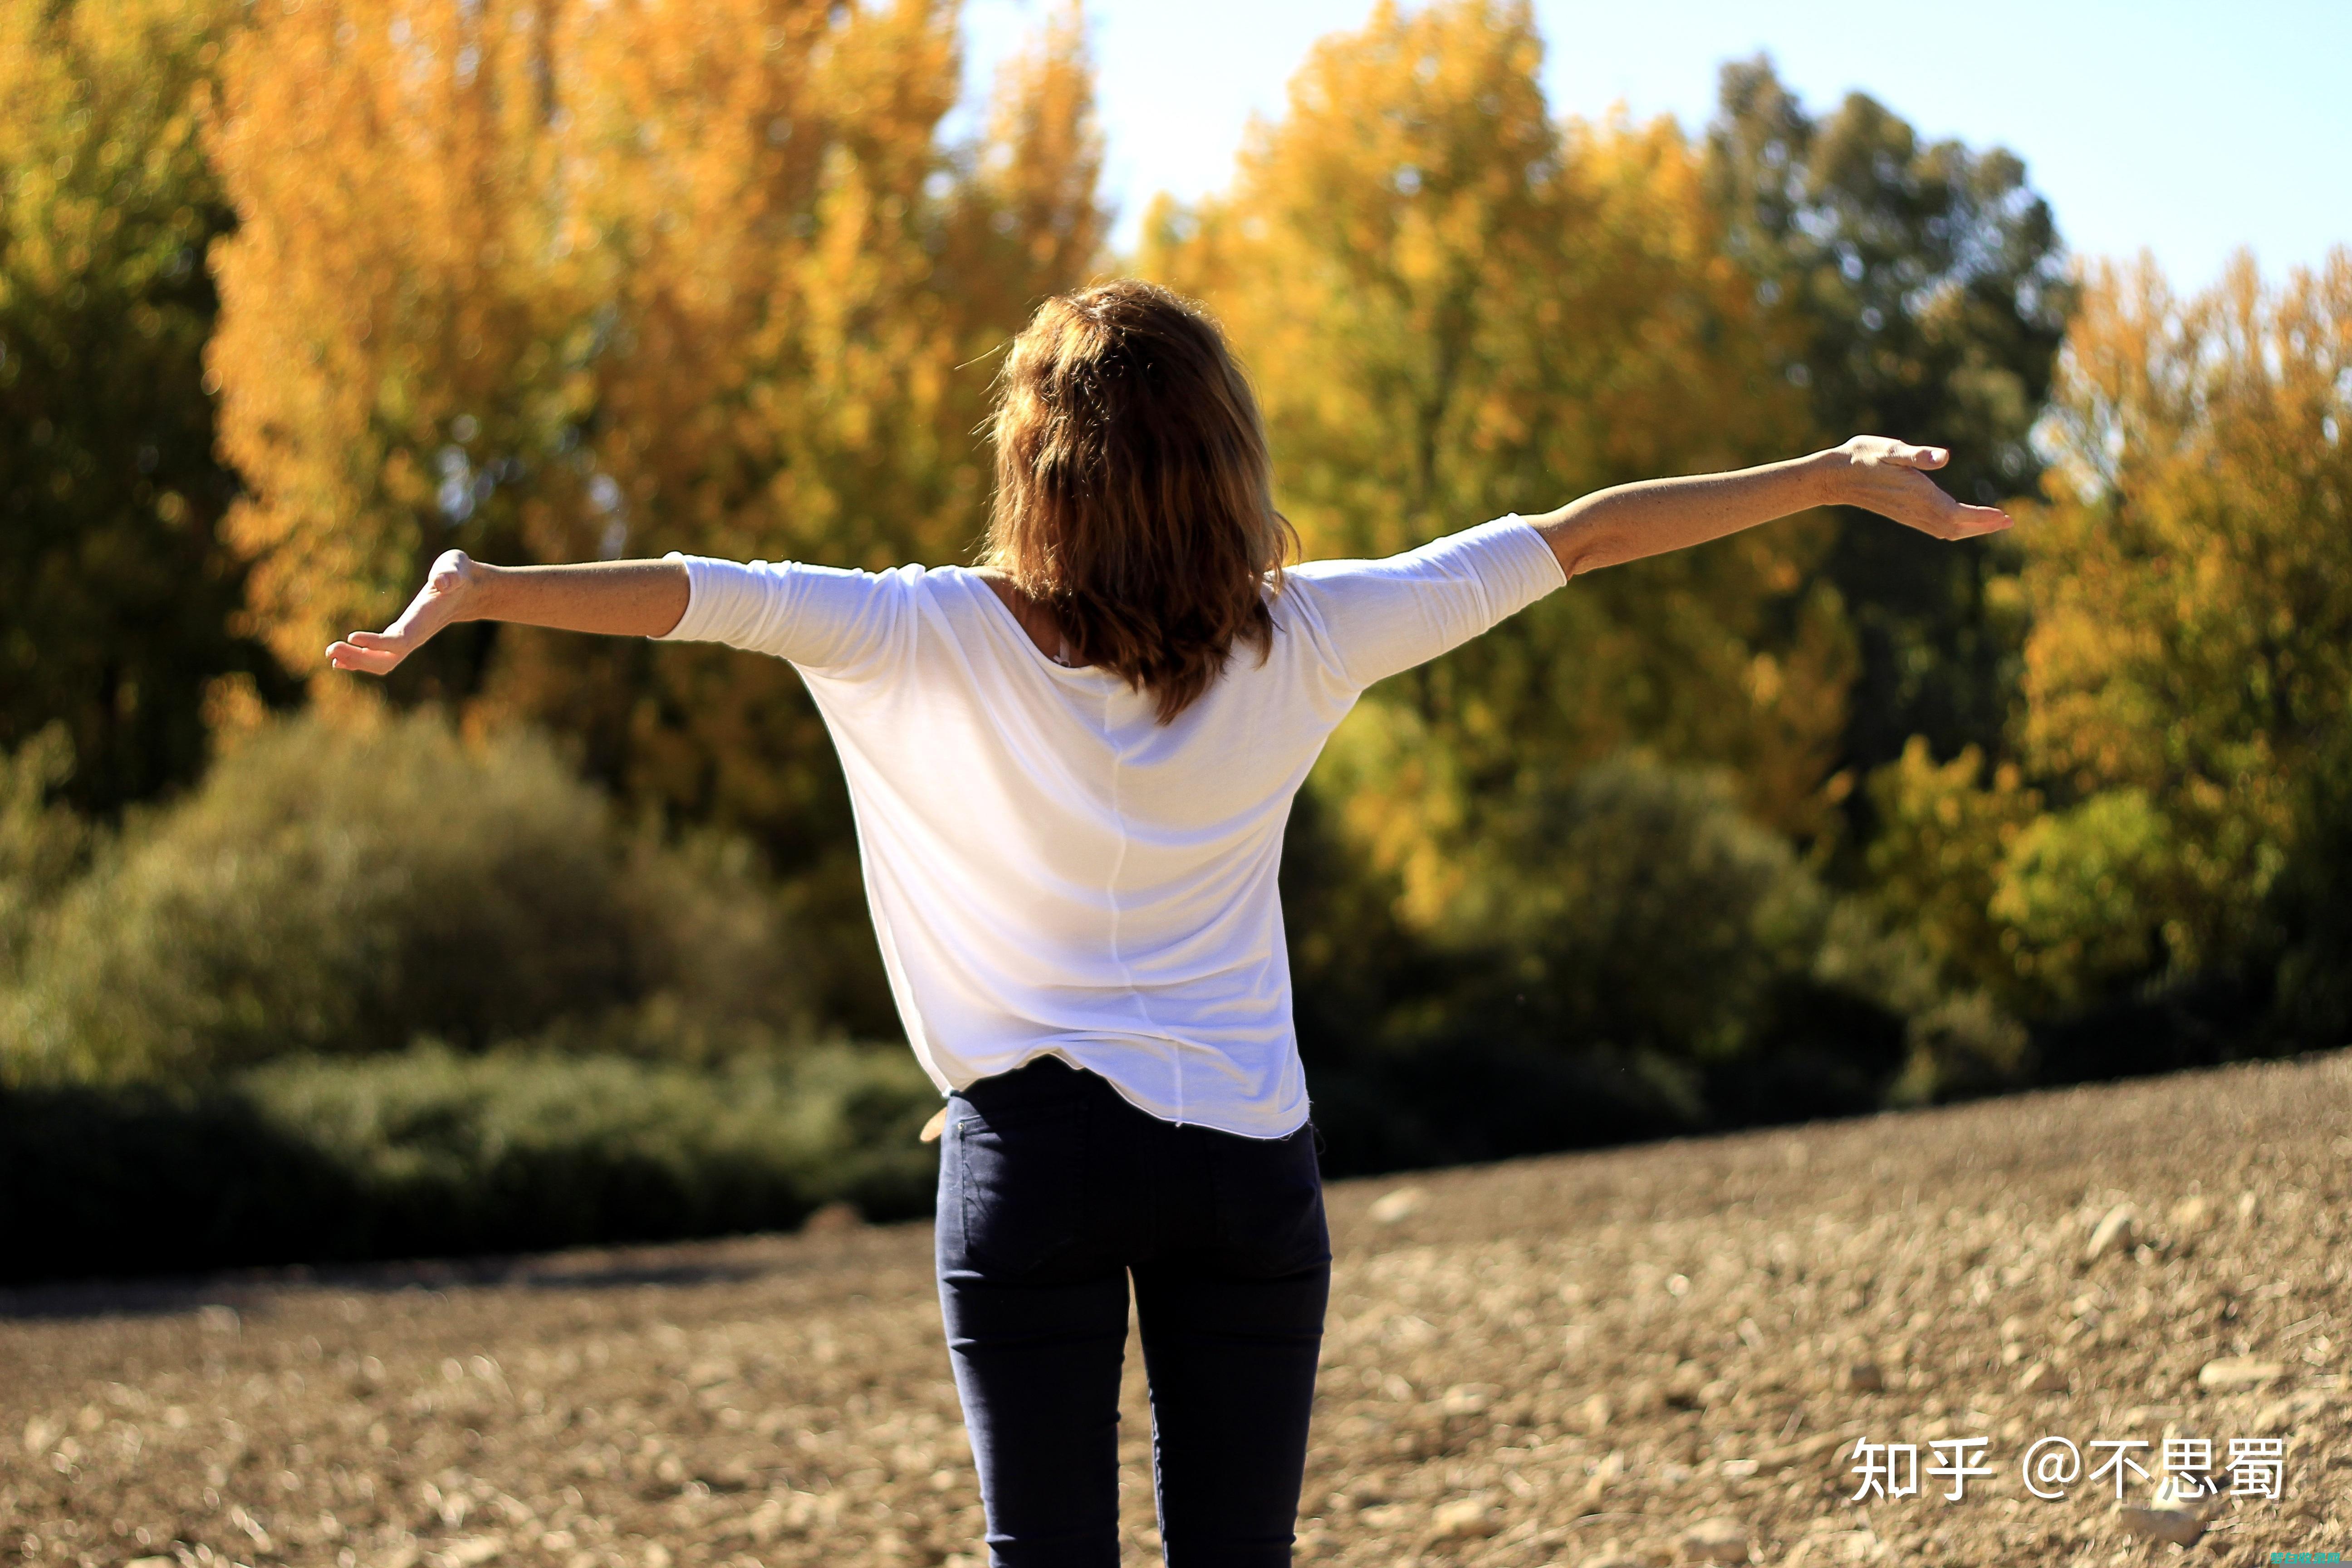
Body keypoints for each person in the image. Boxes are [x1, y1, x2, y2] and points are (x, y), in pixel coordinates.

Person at [328, 278, 2009, 1565]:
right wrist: (1830, 478)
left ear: (1032, 467)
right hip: (1246, 1169)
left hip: (1031, 1167)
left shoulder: (921, 635)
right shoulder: (1314, 635)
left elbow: (699, 594)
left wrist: (482, 594)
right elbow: (1581, 539)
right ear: (1227, 464)